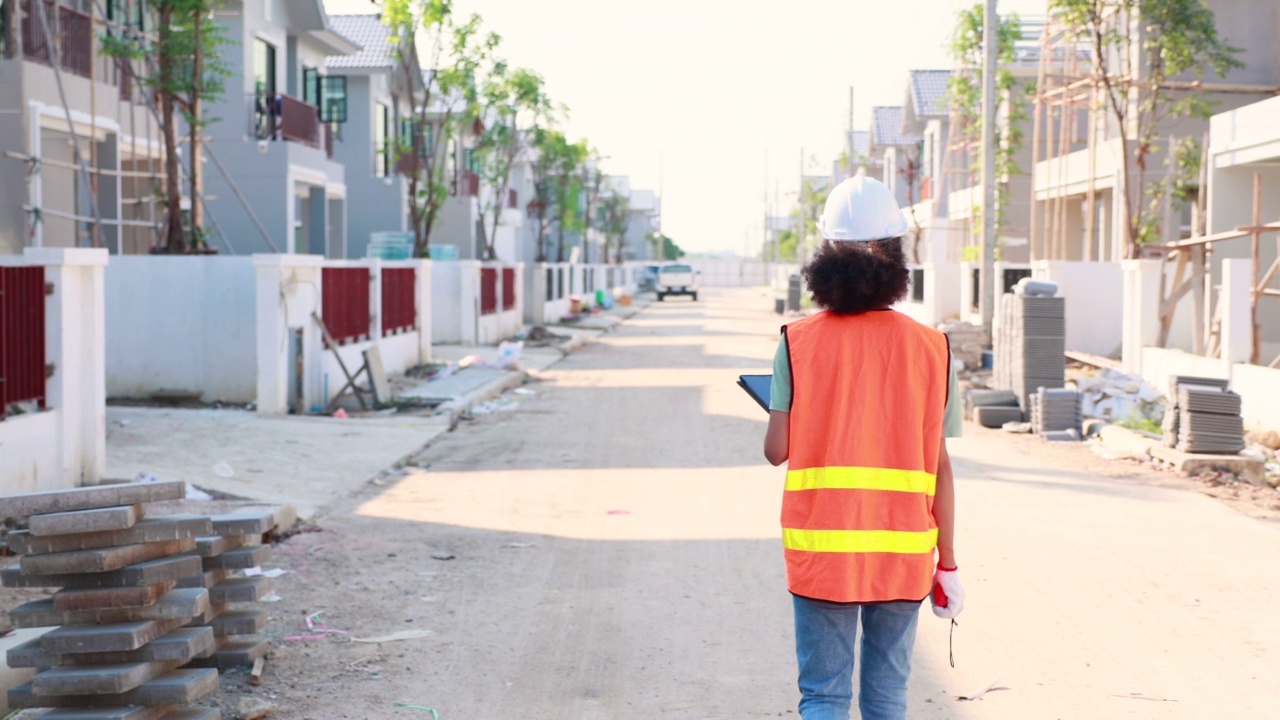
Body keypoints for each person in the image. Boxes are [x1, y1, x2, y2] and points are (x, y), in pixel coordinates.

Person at [762, 175, 965, 720]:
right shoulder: (933, 349)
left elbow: (777, 450)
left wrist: (794, 404)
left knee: (824, 697)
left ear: (827, 255)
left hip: (823, 551)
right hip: (901, 556)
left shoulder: (797, 343)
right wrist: (946, 565)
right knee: (886, 698)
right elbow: (940, 469)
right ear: (896, 256)